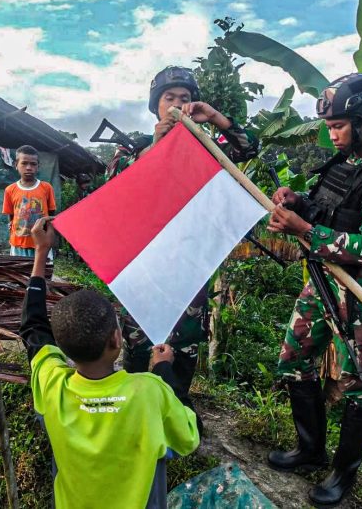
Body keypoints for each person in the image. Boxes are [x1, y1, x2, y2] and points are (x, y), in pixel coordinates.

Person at [265, 73, 362, 505]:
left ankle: (342, 475)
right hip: (323, 280)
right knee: (294, 358)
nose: (332, 135)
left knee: (360, 382)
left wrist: (304, 229)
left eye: (338, 127)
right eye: (329, 127)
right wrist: (297, 203)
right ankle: (311, 450)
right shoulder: (342, 165)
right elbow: (329, 212)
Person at [105, 66, 260, 419]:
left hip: (190, 263)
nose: (177, 105)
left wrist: (215, 118)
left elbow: (248, 147)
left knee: (186, 340)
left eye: (185, 99)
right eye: (169, 99)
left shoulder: (205, 149)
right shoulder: (136, 149)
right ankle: (135, 412)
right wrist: (157, 148)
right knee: (139, 338)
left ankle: (176, 412)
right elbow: (113, 184)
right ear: (155, 106)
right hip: (144, 263)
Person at [21, 216, 200, 509]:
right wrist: (165, 370)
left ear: (61, 345)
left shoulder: (51, 383)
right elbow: (190, 436)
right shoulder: (150, 391)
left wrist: (41, 252)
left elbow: (33, 328)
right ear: (117, 339)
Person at [2, 145, 56, 257]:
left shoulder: (46, 188)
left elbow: (51, 215)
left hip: (41, 243)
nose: (28, 167)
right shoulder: (10, 190)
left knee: (43, 273)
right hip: (18, 244)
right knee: (20, 273)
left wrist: (48, 237)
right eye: (24, 163)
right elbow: (11, 215)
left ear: (38, 166)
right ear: (16, 165)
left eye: (33, 164)